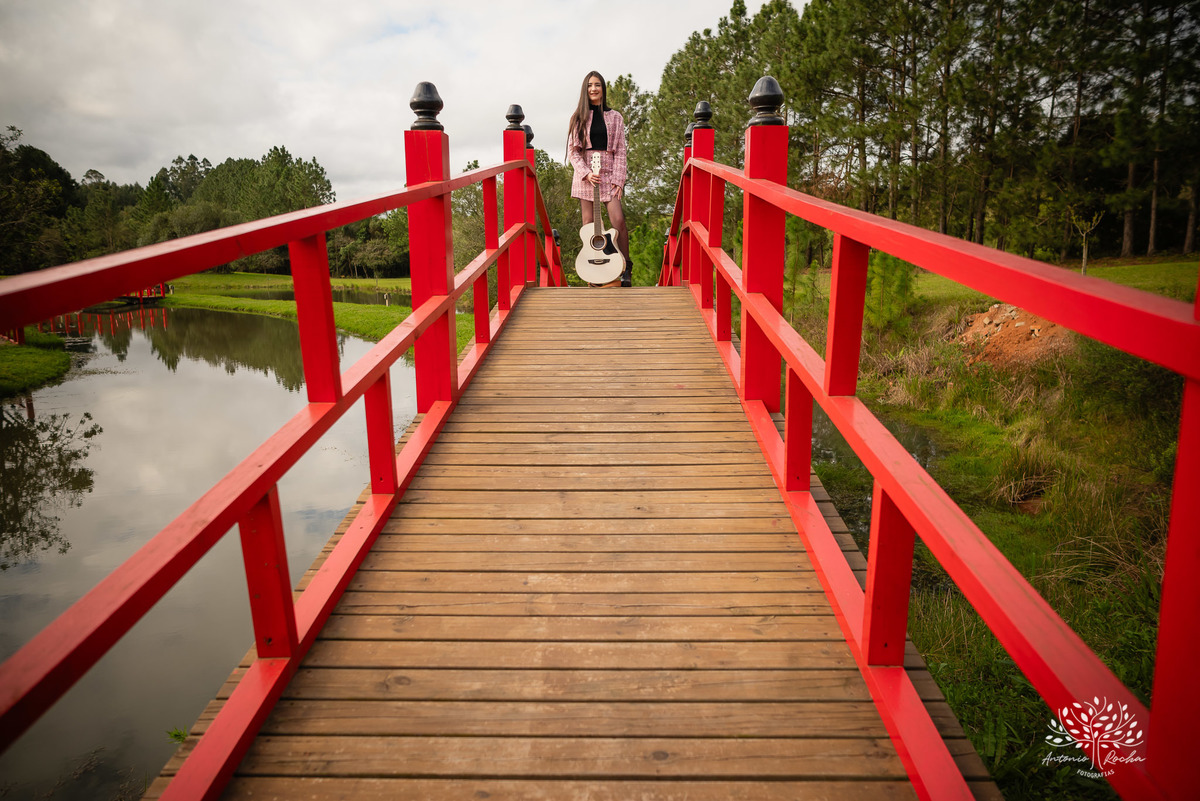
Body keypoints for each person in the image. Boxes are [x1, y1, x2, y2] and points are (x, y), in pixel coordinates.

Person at [567, 71, 632, 286]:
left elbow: (621, 150)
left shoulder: (616, 117)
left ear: (603, 88)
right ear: (585, 90)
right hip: (586, 175)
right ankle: (595, 272)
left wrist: (618, 180)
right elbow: (573, 151)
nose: (593, 89)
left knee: (618, 220)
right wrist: (586, 173)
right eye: (589, 85)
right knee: (588, 223)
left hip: (609, 174)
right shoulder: (578, 117)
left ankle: (626, 268)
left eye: (597, 85)